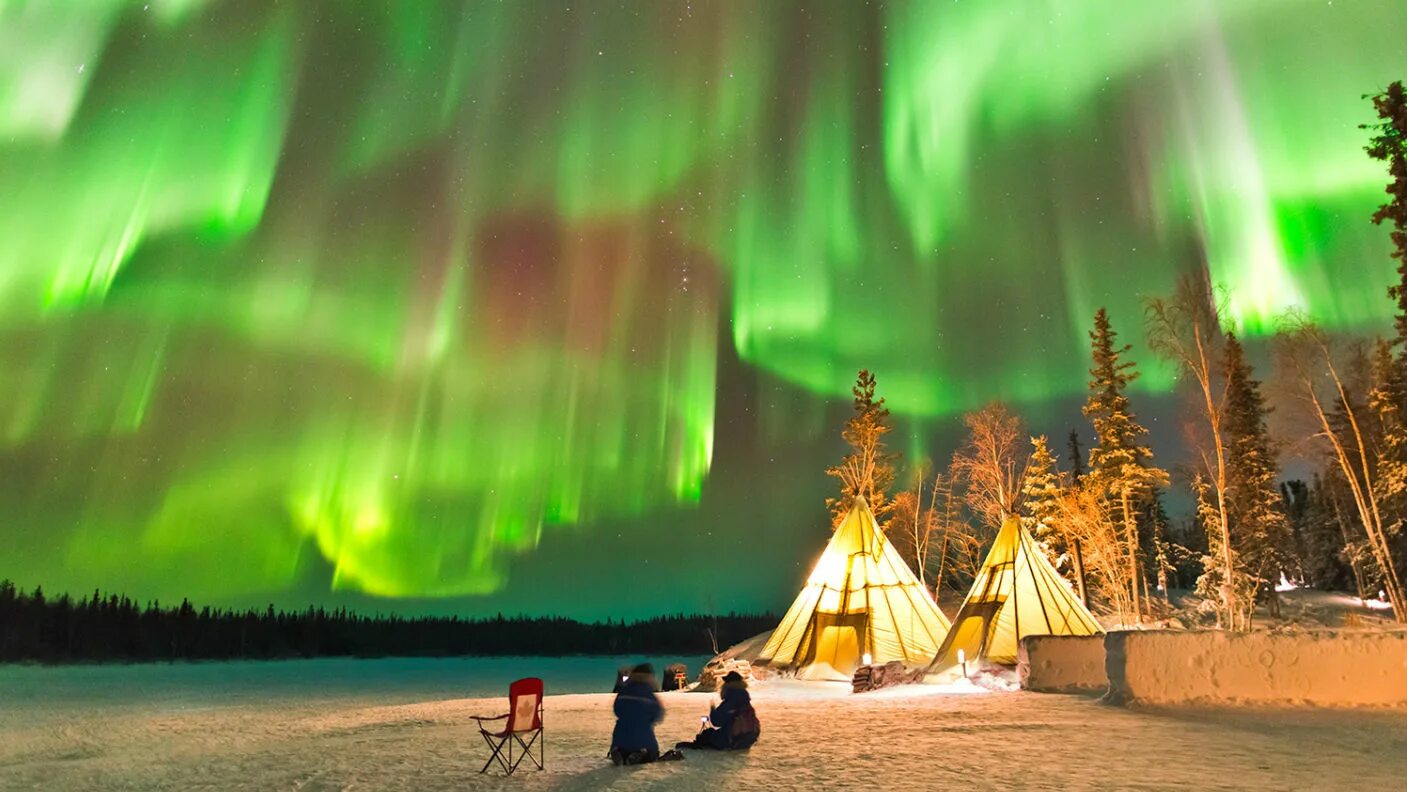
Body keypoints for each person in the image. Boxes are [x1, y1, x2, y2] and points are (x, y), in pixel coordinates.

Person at [608, 663, 683, 764]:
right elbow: (657, 715)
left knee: (623, 738)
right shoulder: (648, 695)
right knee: (651, 752)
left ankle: (619, 751)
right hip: (644, 738)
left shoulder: (623, 692)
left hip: (620, 737)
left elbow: (616, 710)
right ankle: (641, 752)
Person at [678, 670, 760, 750]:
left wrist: (713, 710)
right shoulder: (744, 700)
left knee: (706, 734)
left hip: (734, 738)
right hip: (748, 738)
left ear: (728, 684)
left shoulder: (732, 699)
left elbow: (717, 721)